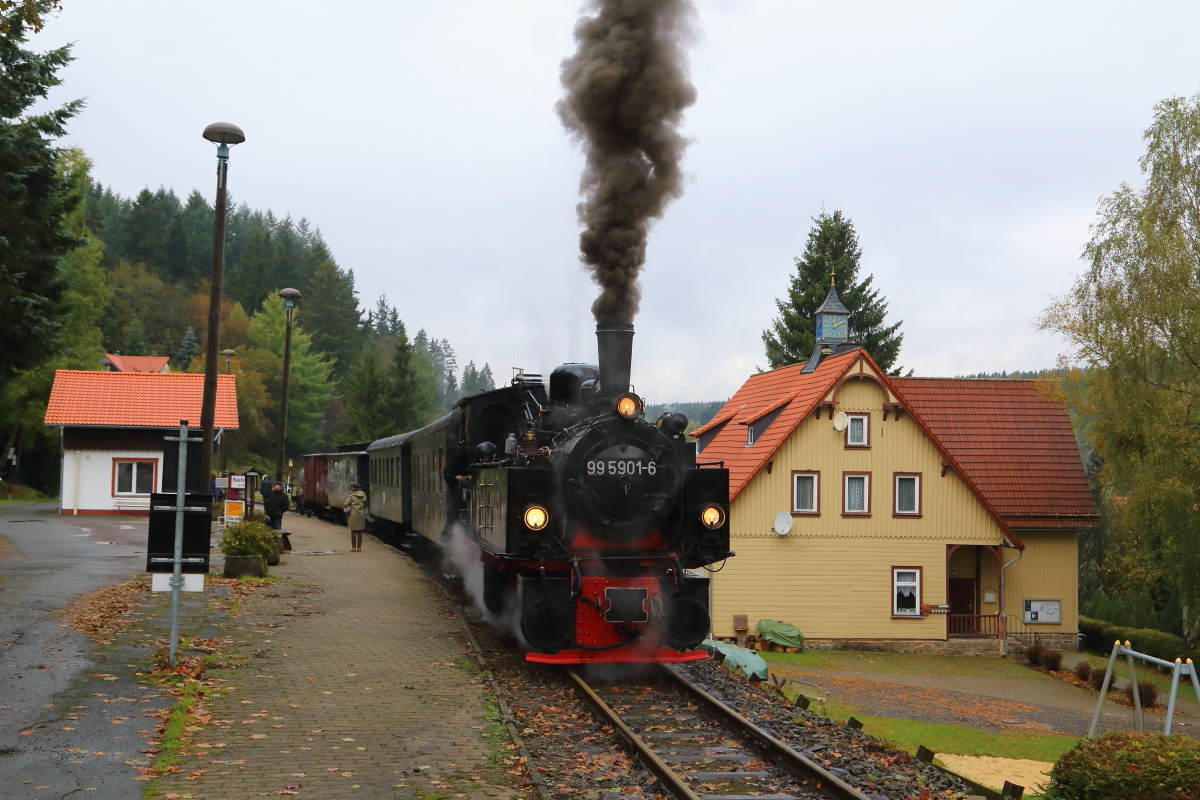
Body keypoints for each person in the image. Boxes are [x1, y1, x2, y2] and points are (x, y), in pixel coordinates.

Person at [344, 482, 367, 552]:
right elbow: (365, 505)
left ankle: (354, 547)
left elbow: (346, 503)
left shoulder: (351, 495)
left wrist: (351, 506)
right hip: (361, 514)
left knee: (353, 531)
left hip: (353, 514)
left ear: (354, 488)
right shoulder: (364, 495)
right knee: (360, 531)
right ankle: (359, 548)